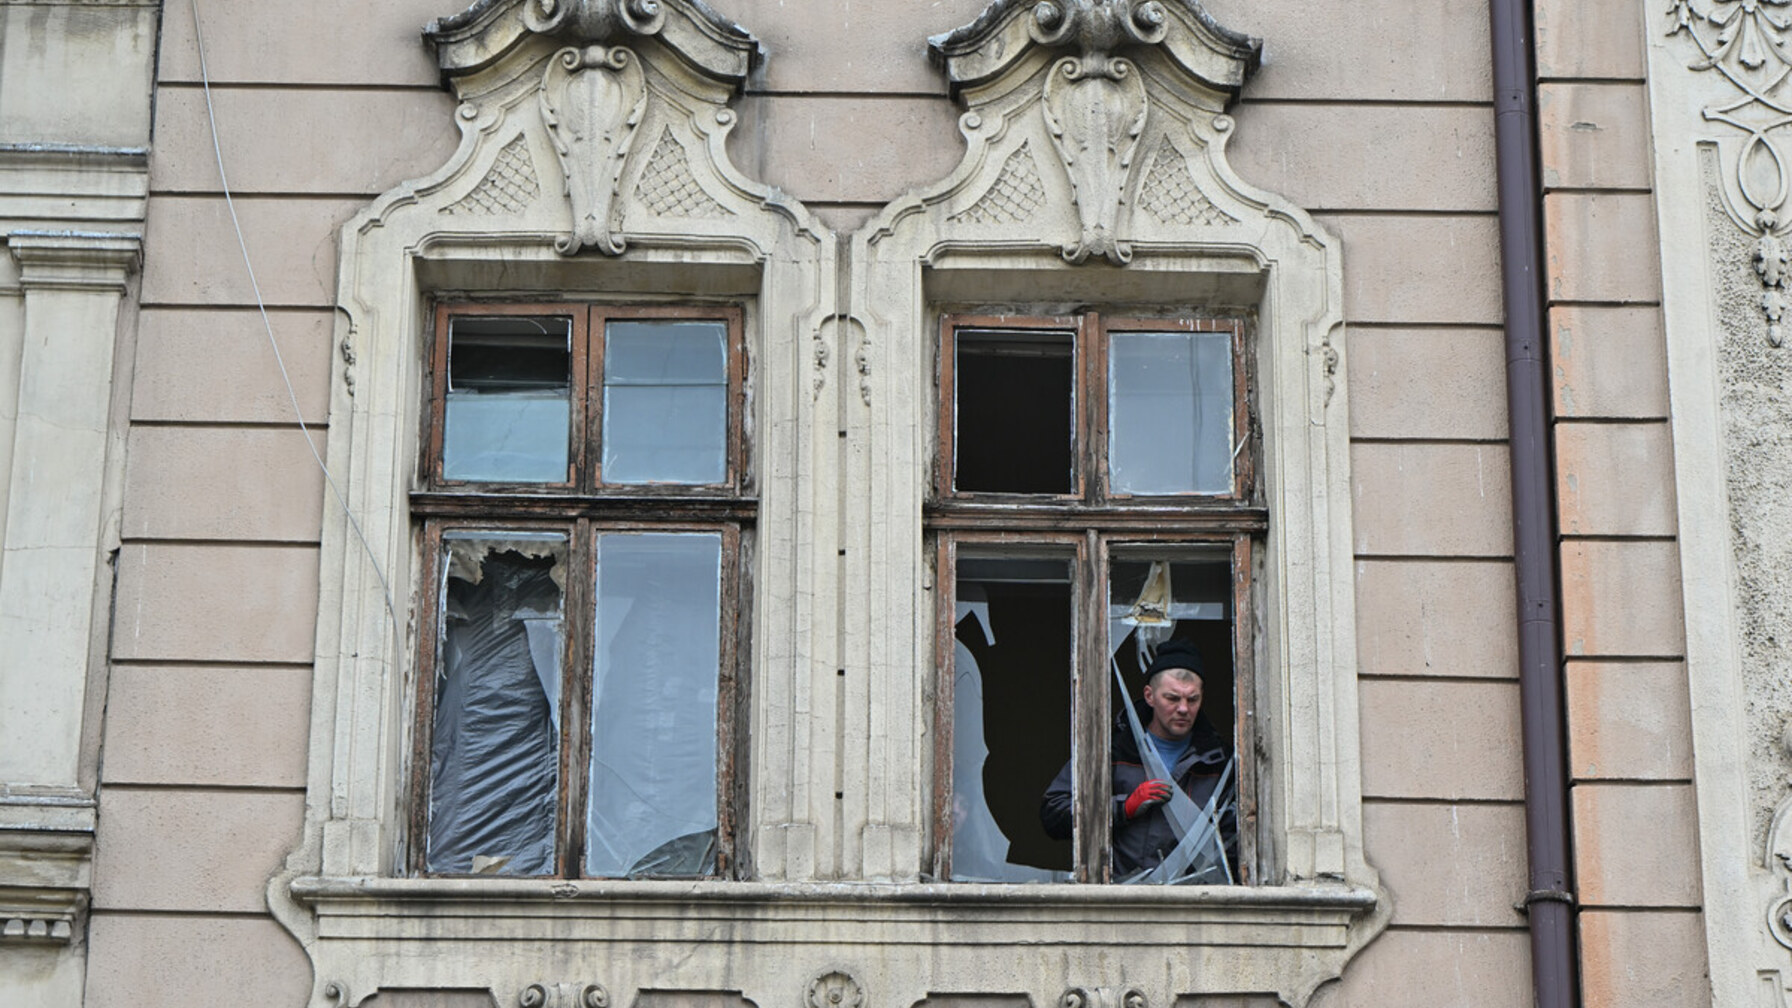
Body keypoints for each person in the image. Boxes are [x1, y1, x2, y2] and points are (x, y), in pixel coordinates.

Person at [1038, 638, 1237, 881]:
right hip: (1121, 904)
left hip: (1195, 907)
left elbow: (1237, 844)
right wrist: (1123, 808)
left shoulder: (1220, 762)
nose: (1184, 708)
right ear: (1150, 696)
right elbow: (1052, 813)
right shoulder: (1112, 753)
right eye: (1172, 698)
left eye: (1192, 699)